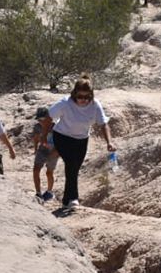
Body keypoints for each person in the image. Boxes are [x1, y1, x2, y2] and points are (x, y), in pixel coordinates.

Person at [48, 75, 114, 211]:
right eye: (80, 96)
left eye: (87, 97)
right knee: (71, 164)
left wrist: (109, 142)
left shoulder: (95, 104)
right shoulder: (65, 103)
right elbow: (50, 116)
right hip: (62, 137)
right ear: (74, 94)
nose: (83, 100)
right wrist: (45, 136)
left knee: (74, 168)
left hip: (82, 140)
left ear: (91, 95)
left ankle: (66, 200)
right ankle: (74, 198)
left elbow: (103, 124)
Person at [30, 107, 60, 203]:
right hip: (42, 150)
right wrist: (35, 148)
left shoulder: (56, 127)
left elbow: (61, 142)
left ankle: (49, 191)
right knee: (36, 169)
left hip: (54, 151)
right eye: (39, 120)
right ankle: (38, 193)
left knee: (49, 172)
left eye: (42, 119)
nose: (41, 121)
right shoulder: (37, 127)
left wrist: (56, 152)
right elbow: (35, 138)